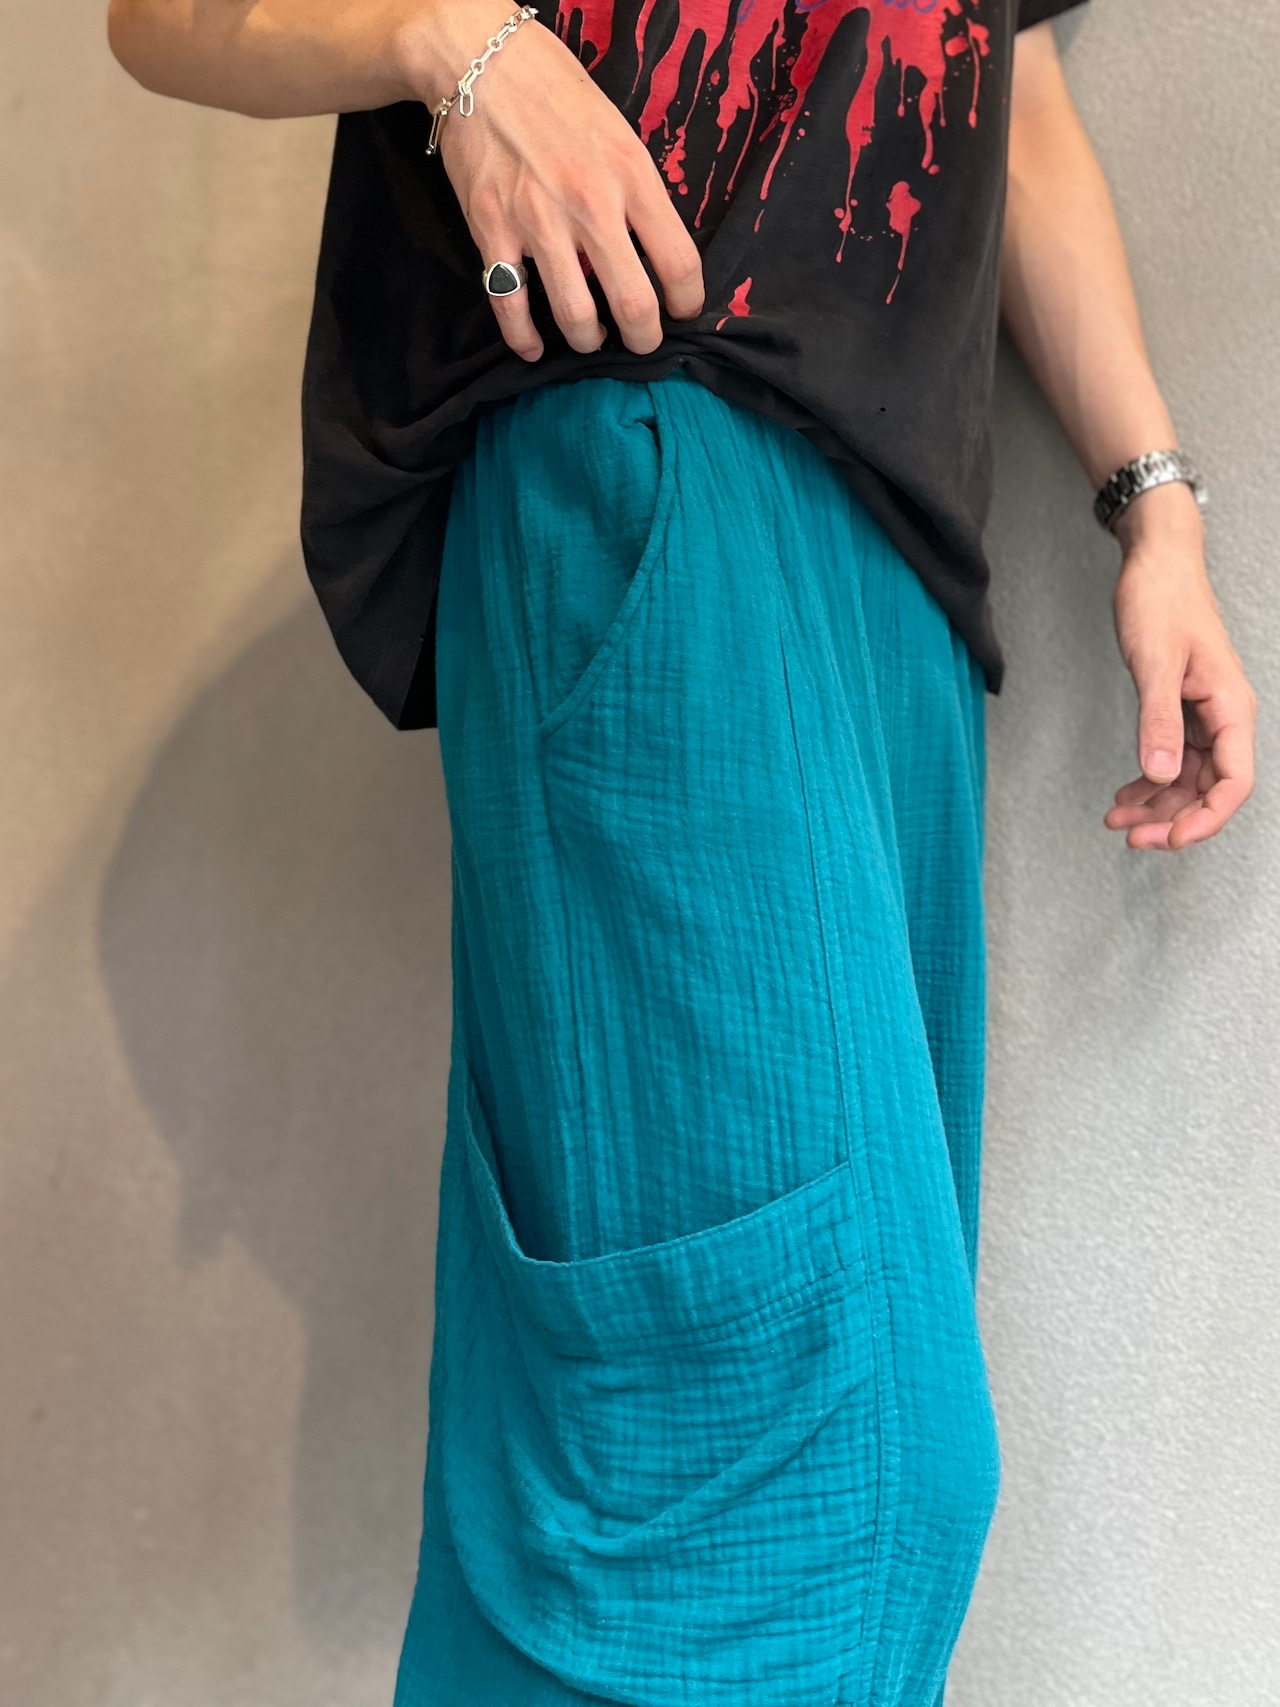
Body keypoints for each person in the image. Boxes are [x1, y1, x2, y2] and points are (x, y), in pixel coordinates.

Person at [107, 1, 1257, 1703]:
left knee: (692, 1475)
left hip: (895, 590)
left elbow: (1002, 101)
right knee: (809, 1481)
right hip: (653, 450)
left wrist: (1155, 511)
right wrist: (457, 44)